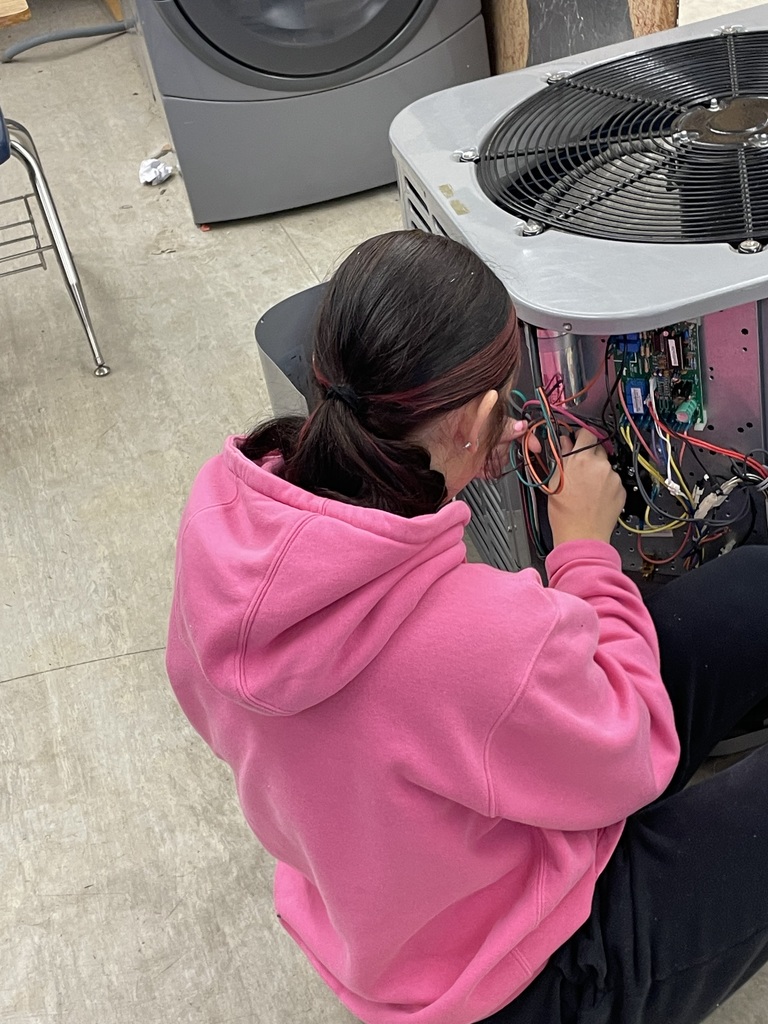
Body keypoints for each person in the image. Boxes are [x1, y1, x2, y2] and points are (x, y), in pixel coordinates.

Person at [166, 230, 768, 1024]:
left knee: (750, 589)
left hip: (394, 894)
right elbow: (631, 752)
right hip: (525, 980)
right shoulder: (469, 635)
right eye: (510, 406)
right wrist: (585, 551)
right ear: (477, 418)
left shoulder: (225, 517)